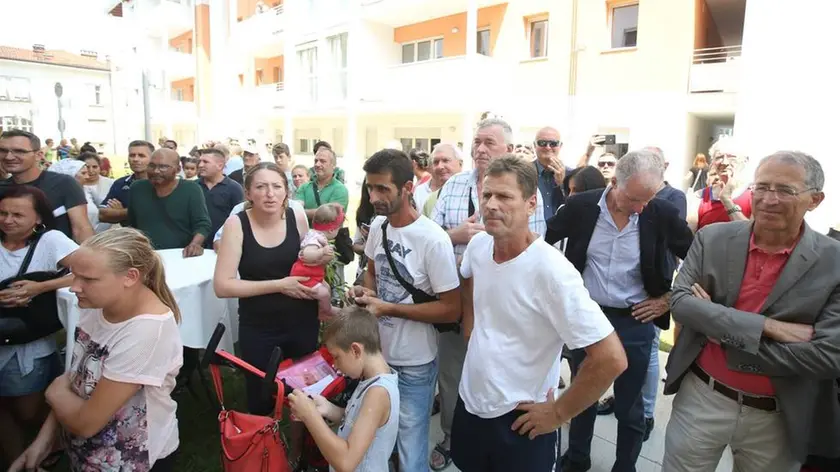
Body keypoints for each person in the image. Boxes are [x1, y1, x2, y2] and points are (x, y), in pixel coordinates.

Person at [663, 151, 840, 472]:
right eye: (762, 187)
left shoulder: (834, 262)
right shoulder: (712, 238)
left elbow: (828, 357)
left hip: (778, 415)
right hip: (703, 397)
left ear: (815, 200)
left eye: (785, 190)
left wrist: (720, 329)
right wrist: (768, 327)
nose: (769, 199)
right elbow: (680, 303)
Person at [451, 156, 626, 472]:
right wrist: (471, 329)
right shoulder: (478, 246)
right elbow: (467, 278)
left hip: (521, 418)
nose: (491, 204)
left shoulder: (552, 272)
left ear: (531, 204)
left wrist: (559, 413)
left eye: (504, 196)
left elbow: (611, 358)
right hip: (470, 402)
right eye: (487, 194)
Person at [546, 149, 693, 472]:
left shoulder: (661, 213)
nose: (641, 207)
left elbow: (697, 259)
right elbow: (543, 244)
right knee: (582, 394)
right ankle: (577, 459)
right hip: (587, 318)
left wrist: (668, 298)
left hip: (635, 320)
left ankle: (625, 467)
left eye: (647, 199)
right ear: (614, 183)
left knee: (629, 406)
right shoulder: (581, 206)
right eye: (634, 199)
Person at [10, 228, 184, 471]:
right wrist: (43, 441)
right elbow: (76, 380)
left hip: (132, 461)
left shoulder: (146, 331)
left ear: (130, 277)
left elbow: (86, 422)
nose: (74, 287)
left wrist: (53, 393)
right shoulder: (97, 303)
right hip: (89, 454)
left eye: (88, 279)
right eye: (74, 275)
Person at [429, 118, 545, 470]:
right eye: (476, 142)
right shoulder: (453, 185)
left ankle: (503, 444)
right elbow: (430, 240)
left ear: (508, 150)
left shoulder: (529, 196)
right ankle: (453, 436)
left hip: (507, 315)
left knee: (501, 383)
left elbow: (532, 252)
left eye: (489, 143)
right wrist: (457, 235)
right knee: (453, 378)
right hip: (455, 304)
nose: (480, 149)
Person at [347, 149, 461, 472]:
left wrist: (389, 308)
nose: (374, 197)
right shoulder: (379, 225)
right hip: (377, 357)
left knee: (411, 449)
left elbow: (452, 309)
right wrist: (365, 290)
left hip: (415, 364)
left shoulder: (433, 240)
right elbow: (372, 270)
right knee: (382, 440)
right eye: (370, 188)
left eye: (383, 189)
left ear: (408, 188)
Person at [214, 162, 321, 464]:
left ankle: (299, 454)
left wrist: (320, 268)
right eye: (260, 187)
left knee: (302, 394)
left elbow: (308, 263)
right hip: (259, 326)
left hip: (301, 320)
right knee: (261, 397)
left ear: (287, 191)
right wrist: (279, 285)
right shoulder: (237, 224)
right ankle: (264, 456)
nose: (269, 194)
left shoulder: (297, 214)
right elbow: (223, 285)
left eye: (276, 186)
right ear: (248, 192)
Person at [0, 186, 76, 467]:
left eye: (18, 214)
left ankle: (50, 445)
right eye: (3, 213)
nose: (8, 220)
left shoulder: (51, 240)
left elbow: (89, 269)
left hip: (29, 339)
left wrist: (40, 287)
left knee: (27, 409)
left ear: (38, 219)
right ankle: (17, 460)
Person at [287, 307, 399, 472]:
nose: (335, 366)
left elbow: (346, 462)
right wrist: (328, 409)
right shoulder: (371, 379)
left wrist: (310, 416)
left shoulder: (378, 393)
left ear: (355, 350)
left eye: (336, 357)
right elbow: (357, 421)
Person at [0, 130, 93, 243]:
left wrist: (89, 258)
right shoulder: (2, 188)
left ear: (39, 155)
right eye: (3, 151)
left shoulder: (64, 184)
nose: (9, 157)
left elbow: (81, 229)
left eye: (19, 151)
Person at [127, 148, 211, 256]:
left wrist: (195, 244)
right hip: (145, 256)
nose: (156, 171)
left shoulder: (191, 189)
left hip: (180, 256)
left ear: (177, 169)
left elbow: (202, 224)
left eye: (163, 167)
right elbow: (132, 224)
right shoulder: (137, 188)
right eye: (152, 166)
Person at [290, 203, 345, 321]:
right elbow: (306, 254)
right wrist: (321, 252)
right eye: (338, 229)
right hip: (304, 276)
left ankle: (321, 309)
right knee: (324, 294)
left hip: (313, 275)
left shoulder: (316, 235)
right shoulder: (315, 238)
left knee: (327, 288)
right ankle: (327, 310)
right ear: (331, 230)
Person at [694, 136, 751, 231]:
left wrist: (727, 200)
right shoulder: (700, 196)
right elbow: (690, 235)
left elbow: (752, 236)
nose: (724, 162)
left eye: (732, 157)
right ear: (712, 162)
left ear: (745, 161)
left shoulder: (754, 195)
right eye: (719, 157)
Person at [197, 148, 244, 249]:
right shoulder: (193, 187)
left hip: (222, 247)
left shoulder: (234, 188)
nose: (200, 165)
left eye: (205, 162)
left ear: (220, 165)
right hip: (194, 246)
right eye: (199, 161)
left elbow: (240, 217)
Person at [48, 159, 109, 234]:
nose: (87, 176)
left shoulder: (86, 190)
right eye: (83, 173)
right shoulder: (58, 198)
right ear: (70, 175)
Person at [99, 140, 153, 224]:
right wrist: (128, 213)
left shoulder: (160, 183)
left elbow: (154, 213)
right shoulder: (121, 183)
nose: (135, 159)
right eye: (132, 155)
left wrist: (119, 213)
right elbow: (102, 215)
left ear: (152, 159)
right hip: (130, 235)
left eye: (141, 156)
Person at [296, 147, 349, 219]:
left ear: (333, 165)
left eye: (322, 161)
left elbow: (330, 216)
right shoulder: (304, 187)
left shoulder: (340, 189)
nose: (317, 164)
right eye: (316, 161)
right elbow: (296, 210)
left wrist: (302, 212)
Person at [415, 143, 462, 216]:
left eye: (445, 160)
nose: (440, 166)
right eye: (436, 162)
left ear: (460, 163)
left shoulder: (471, 190)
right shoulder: (420, 192)